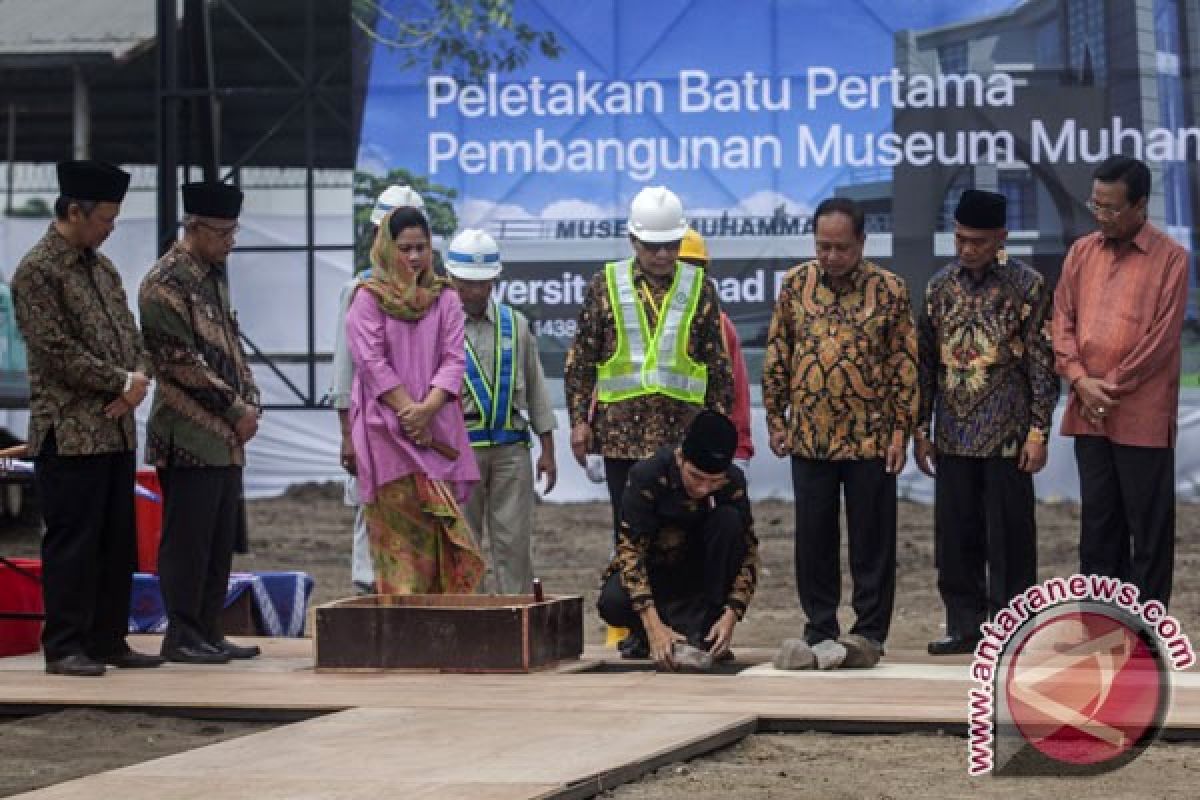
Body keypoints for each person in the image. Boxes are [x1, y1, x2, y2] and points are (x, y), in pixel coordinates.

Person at [11, 159, 162, 676]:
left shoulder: (103, 267)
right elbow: (55, 350)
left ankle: (107, 639)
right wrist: (120, 382)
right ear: (74, 211)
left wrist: (138, 379)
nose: (109, 229)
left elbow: (130, 333)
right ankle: (66, 644)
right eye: (105, 219)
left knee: (116, 541)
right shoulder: (38, 271)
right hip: (70, 431)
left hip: (115, 427)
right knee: (73, 541)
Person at [762, 196, 918, 668]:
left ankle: (869, 632)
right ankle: (819, 627)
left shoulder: (890, 290)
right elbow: (778, 352)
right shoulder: (794, 285)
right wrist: (775, 417)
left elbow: (904, 365)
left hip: (870, 437)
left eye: (841, 248)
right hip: (810, 436)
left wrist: (900, 432)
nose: (830, 257)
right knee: (813, 537)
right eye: (823, 246)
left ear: (862, 243)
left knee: (872, 539)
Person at [915, 189, 1057, 655]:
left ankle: (1013, 629)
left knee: (1011, 537)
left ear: (1001, 238)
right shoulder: (939, 287)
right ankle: (964, 625)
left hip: (1008, 435)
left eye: (977, 240)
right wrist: (921, 429)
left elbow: (1041, 363)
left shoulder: (1027, 286)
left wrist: (1039, 431)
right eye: (960, 238)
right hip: (952, 433)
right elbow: (925, 365)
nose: (967, 248)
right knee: (955, 537)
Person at [1053, 155, 1189, 608]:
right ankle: (1098, 621)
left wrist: (1106, 386)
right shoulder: (1081, 252)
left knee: (1147, 528)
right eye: (1096, 206)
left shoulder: (1171, 258)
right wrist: (1079, 379)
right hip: (1087, 409)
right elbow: (1062, 319)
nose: (1103, 216)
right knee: (1098, 524)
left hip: (1142, 415)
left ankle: (1146, 627)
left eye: (1111, 208)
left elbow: (1162, 338)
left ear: (1140, 205)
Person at [564, 186, 732, 542]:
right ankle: (633, 598)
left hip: (683, 440)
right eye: (652, 245)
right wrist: (579, 422)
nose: (663, 254)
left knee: (684, 536)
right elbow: (581, 363)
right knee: (629, 533)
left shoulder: (700, 288)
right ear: (632, 240)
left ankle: (680, 600)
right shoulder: (604, 286)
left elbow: (718, 369)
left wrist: (717, 435)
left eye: (671, 245)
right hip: (621, 438)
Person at [139, 181, 262, 664]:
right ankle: (183, 632)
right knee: (188, 539)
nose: (230, 241)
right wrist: (236, 408)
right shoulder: (164, 281)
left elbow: (229, 343)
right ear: (194, 227)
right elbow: (179, 362)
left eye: (234, 231)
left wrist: (249, 398)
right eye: (223, 232)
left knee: (216, 541)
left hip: (226, 437)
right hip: (187, 433)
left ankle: (208, 628)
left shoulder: (212, 274)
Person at [345, 207, 484, 594]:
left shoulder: (445, 298)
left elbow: (454, 359)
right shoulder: (367, 298)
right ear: (387, 249)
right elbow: (370, 361)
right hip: (385, 432)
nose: (413, 257)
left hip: (436, 429)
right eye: (404, 248)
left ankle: (443, 627)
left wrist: (426, 411)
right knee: (401, 541)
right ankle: (405, 626)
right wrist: (409, 411)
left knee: (446, 537)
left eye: (421, 247)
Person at [596, 410, 758, 671]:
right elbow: (629, 552)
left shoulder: (732, 483)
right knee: (612, 601)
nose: (704, 489)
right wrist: (652, 623)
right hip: (654, 574)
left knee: (729, 521)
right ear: (681, 457)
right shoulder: (647, 475)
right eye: (696, 477)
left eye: (713, 482)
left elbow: (749, 551)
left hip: (700, 577)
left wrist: (731, 614)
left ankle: (703, 633)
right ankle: (650, 634)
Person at [444, 229, 557, 594]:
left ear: (495, 278)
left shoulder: (516, 324)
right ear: (451, 278)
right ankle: (473, 621)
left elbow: (537, 387)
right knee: (464, 542)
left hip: (512, 448)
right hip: (460, 447)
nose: (475, 291)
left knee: (514, 542)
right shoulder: (437, 326)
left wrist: (548, 451)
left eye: (482, 283)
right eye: (466, 283)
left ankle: (517, 616)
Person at [329, 184, 426, 594]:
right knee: (372, 510)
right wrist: (346, 434)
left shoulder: (436, 293)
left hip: (423, 424)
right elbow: (345, 368)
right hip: (373, 424)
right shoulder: (359, 291)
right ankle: (370, 598)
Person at [678, 228, 754, 462]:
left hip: (702, 447)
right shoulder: (639, 321)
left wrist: (740, 448)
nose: (688, 276)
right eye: (682, 267)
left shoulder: (721, 325)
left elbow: (737, 391)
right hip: (647, 444)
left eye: (695, 268)